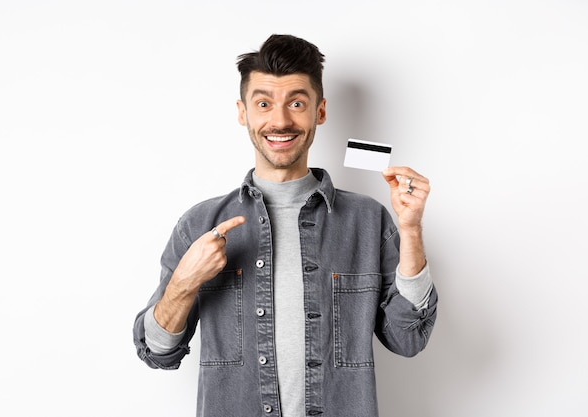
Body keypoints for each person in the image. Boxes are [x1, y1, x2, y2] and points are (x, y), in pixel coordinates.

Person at [133, 34, 438, 417]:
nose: (280, 120)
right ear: (243, 112)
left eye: (296, 103)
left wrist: (411, 230)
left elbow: (408, 339)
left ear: (320, 112)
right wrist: (183, 282)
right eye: (264, 103)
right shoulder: (200, 224)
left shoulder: (367, 220)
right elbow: (158, 352)